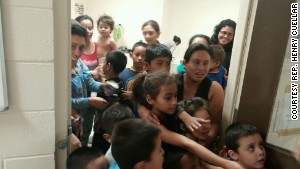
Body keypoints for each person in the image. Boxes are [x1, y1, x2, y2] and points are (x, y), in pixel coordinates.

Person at [132, 71, 243, 169]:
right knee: (188, 157)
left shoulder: (172, 109)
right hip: (163, 162)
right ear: (150, 99)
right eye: (168, 98)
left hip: (181, 154)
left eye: (175, 96)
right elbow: (186, 143)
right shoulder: (153, 123)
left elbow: (178, 109)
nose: (174, 102)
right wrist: (226, 164)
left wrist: (186, 116)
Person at [176, 44, 224, 152]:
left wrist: (202, 147)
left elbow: (215, 123)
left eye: (205, 63)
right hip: (173, 141)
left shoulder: (215, 89)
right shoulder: (172, 83)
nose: (201, 68)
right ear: (185, 64)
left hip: (201, 145)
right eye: (196, 62)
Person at [71, 19, 110, 146]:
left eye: (81, 48)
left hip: (84, 117)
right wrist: (90, 101)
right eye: (72, 47)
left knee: (83, 141)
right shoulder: (58, 72)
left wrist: (103, 86)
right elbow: (63, 102)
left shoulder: (79, 64)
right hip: (71, 121)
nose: (77, 53)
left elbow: (89, 82)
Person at [92, 50, 127, 152]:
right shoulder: (121, 82)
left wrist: (99, 122)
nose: (102, 64)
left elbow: (111, 103)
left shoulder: (108, 86)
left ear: (109, 66)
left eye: (104, 62)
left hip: (103, 128)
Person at [101, 103, 134, 169]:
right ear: (108, 138)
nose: (129, 135)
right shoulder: (109, 161)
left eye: (131, 129)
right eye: (122, 133)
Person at [75, 14, 99, 79]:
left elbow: (102, 65)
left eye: (90, 28)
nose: (88, 31)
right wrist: (88, 74)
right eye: (84, 28)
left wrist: (97, 71)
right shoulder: (72, 49)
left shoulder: (98, 46)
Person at [97, 14, 118, 81]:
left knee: (104, 77)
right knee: (98, 76)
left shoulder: (111, 41)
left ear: (111, 29)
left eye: (106, 27)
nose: (103, 29)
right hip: (98, 60)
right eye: (100, 27)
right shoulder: (99, 37)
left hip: (106, 61)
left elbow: (116, 54)